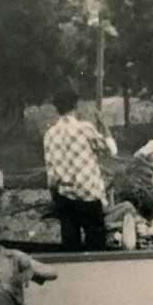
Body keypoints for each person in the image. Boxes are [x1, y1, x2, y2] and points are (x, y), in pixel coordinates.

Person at [43, 88, 117, 249]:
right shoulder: (85, 128)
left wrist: (54, 197)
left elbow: (51, 171)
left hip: (63, 194)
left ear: (56, 108)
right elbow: (111, 150)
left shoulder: (50, 133)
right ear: (75, 105)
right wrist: (104, 125)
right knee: (96, 242)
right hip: (87, 193)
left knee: (70, 244)